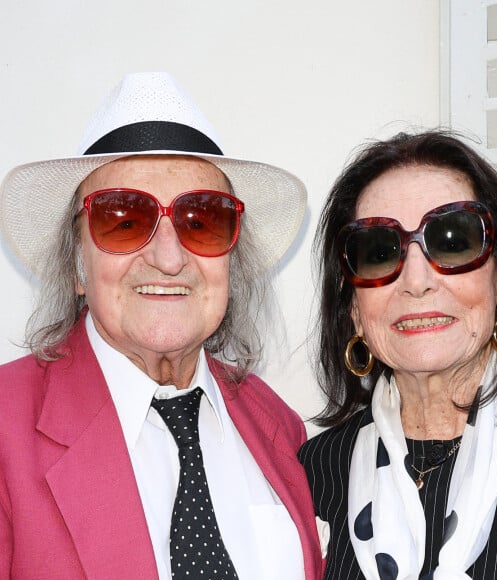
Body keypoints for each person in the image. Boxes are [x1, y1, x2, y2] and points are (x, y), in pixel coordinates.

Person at [0, 72, 324, 579]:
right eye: (123, 219)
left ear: (231, 259)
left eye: (202, 220)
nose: (169, 258)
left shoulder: (276, 424)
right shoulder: (5, 428)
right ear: (76, 265)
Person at [298, 130, 497, 579]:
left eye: (453, 240)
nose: (416, 280)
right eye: (378, 251)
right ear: (353, 308)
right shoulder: (313, 475)